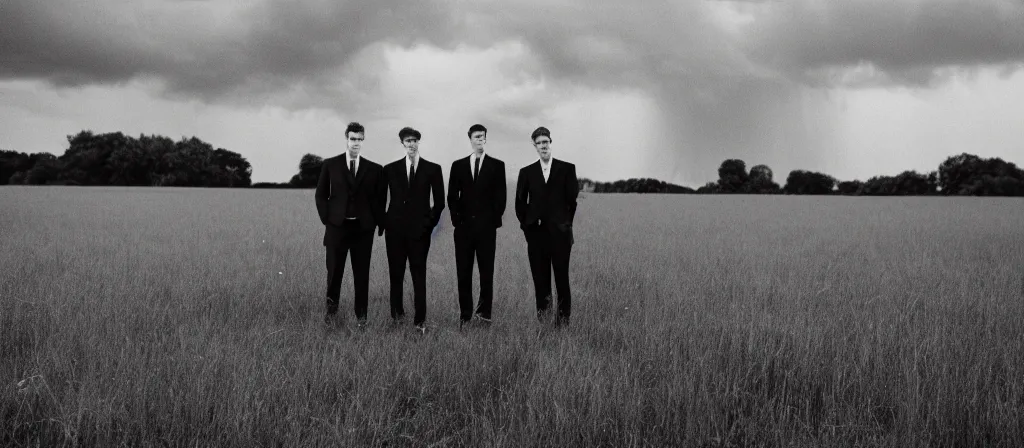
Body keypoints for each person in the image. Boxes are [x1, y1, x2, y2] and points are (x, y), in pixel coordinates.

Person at [315, 122, 385, 329]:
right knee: (334, 273)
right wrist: (327, 219)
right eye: (353, 138)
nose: (356, 143)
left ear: (363, 140)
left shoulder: (375, 169)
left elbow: (379, 199)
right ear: (346, 138)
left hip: (363, 230)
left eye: (360, 139)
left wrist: (377, 223)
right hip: (337, 228)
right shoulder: (330, 165)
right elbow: (321, 195)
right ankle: (331, 314)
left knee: (361, 274)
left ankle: (361, 318)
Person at [380, 127, 445, 334]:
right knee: (396, 275)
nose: (412, 144)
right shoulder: (389, 169)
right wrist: (385, 224)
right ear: (402, 143)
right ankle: (397, 316)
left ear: (419, 142)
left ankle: (419, 320)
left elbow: (440, 203)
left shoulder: (433, 169)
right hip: (395, 233)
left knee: (419, 275)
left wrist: (428, 226)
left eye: (415, 140)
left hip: (420, 234)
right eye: (408, 141)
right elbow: (380, 200)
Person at [514, 126, 578, 326]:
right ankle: (543, 321)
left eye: (546, 142)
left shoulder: (567, 169)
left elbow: (572, 201)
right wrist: (528, 229)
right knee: (541, 281)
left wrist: (566, 225)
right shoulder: (526, 172)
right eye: (539, 143)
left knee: (562, 280)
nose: (543, 146)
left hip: (560, 236)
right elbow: (519, 203)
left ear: (551, 142)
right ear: (534, 145)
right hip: (537, 236)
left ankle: (563, 323)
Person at [447, 124, 507, 328]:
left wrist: (490, 222)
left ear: (486, 138)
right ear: (470, 139)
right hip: (463, 231)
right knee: (463, 274)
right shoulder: (458, 166)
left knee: (486, 273)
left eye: (482, 136)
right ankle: (465, 316)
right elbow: (452, 197)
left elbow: (501, 199)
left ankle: (484, 315)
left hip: (486, 231)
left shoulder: (497, 166)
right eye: (476, 136)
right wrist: (458, 222)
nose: (480, 139)